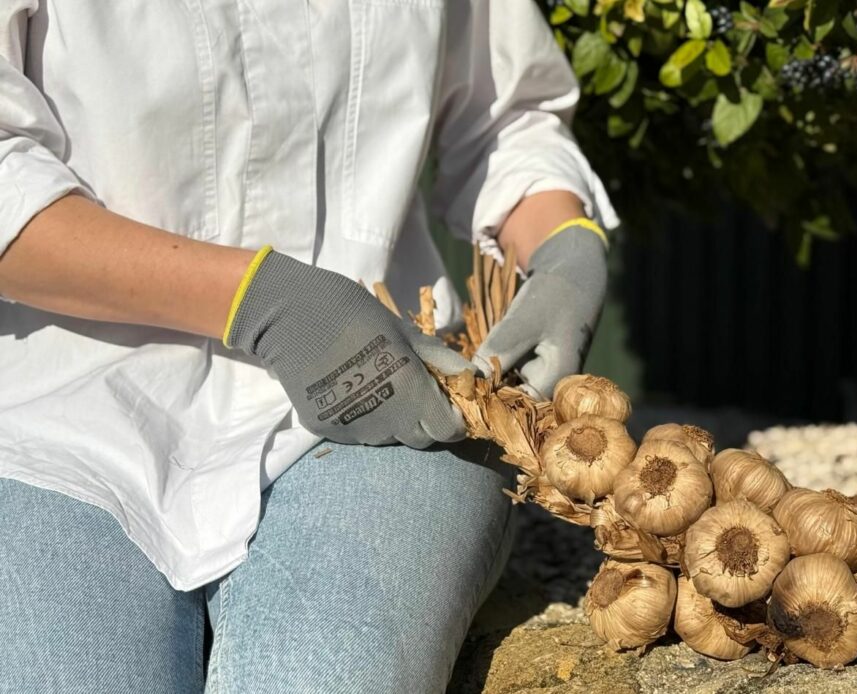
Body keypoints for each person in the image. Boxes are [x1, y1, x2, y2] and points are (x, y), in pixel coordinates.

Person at [0, 1, 617, 692]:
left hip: (394, 399)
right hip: (57, 416)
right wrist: (257, 299)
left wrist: (565, 245)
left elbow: (504, 118)